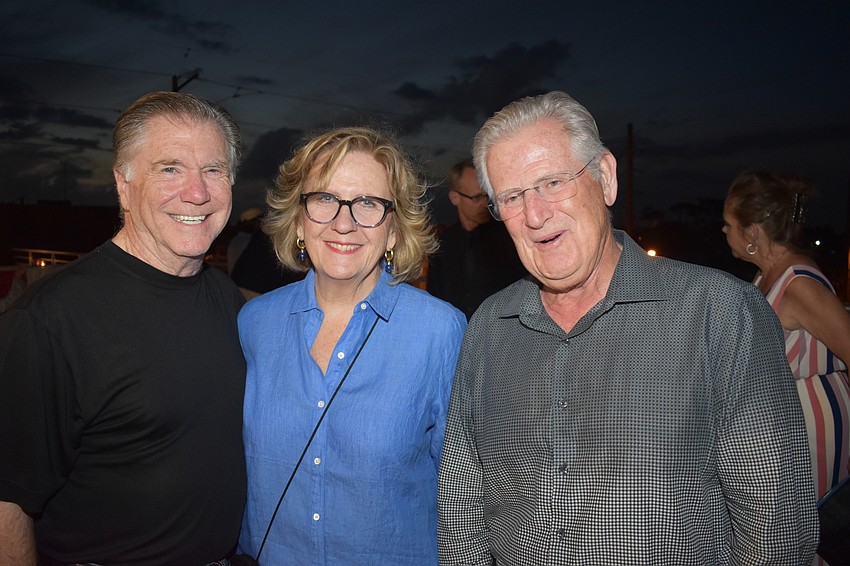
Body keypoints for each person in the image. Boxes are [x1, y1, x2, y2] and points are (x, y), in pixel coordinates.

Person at [437, 91, 819, 565]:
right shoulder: (489, 328)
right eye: (512, 197)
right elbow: (461, 510)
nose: (535, 215)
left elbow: (776, 529)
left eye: (552, 182)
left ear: (606, 178)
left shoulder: (719, 314)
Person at [0, 91, 247, 565]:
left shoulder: (227, 299)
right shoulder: (50, 320)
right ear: (123, 183)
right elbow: (8, 500)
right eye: (170, 168)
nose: (197, 193)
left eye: (214, 170)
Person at [237, 126, 466, 565]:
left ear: (394, 231)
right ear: (299, 220)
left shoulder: (440, 332)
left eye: (368, 204)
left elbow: (464, 495)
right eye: (324, 199)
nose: (344, 223)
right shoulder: (254, 324)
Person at [723, 171, 850, 505]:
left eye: (729, 224)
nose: (724, 231)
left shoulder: (799, 283)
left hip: (818, 427)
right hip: (790, 429)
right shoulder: (766, 275)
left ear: (752, 231)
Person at [427, 159, 526, 319]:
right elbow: (435, 297)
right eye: (476, 198)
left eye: (487, 196)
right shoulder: (442, 244)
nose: (485, 204)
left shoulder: (509, 238)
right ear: (454, 197)